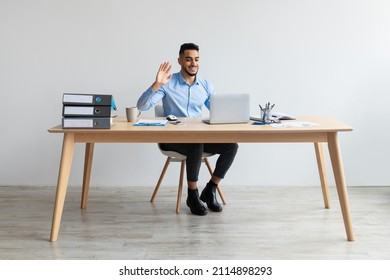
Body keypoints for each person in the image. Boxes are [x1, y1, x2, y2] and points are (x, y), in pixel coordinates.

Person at [137, 43, 238, 216]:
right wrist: (156, 83)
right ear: (180, 60)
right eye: (189, 59)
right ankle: (193, 195)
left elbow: (217, 111)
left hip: (198, 137)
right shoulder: (168, 84)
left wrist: (233, 115)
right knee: (196, 144)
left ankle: (210, 189)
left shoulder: (205, 85)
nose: (193, 63)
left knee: (231, 146)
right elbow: (142, 106)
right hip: (173, 140)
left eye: (196, 59)